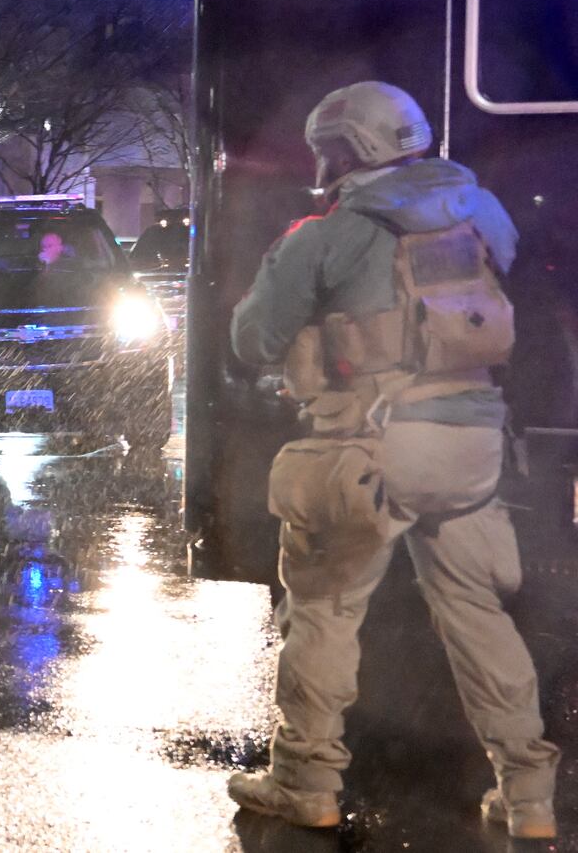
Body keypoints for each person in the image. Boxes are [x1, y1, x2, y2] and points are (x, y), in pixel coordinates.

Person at [226, 81, 559, 839]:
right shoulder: (484, 211)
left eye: (328, 149)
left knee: (324, 613)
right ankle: (530, 797)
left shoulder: (324, 233)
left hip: (368, 452)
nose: (321, 163)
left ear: (354, 150)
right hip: (472, 450)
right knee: (480, 618)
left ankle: (304, 781)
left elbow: (252, 341)